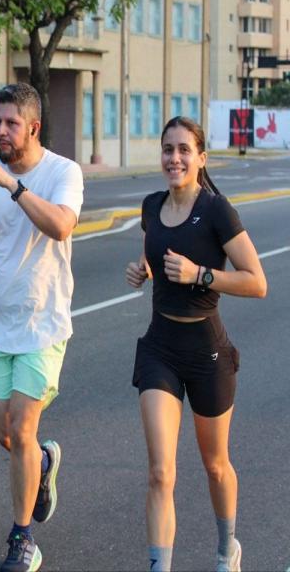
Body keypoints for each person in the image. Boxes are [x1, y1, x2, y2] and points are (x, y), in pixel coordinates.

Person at [0, 83, 84, 572]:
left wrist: (13, 185)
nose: (1, 131)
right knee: (7, 434)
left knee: (23, 429)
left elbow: (61, 225)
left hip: (43, 324)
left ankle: (23, 538)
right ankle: (43, 462)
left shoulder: (63, 172)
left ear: (33, 127)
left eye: (11, 123)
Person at [125, 116, 267, 572]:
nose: (175, 158)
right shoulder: (151, 206)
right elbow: (155, 250)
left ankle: (227, 549)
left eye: (184, 149)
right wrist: (143, 269)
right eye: (168, 149)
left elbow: (256, 281)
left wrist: (200, 274)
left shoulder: (218, 211)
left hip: (207, 352)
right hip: (160, 348)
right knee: (160, 472)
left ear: (201, 158)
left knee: (216, 464)